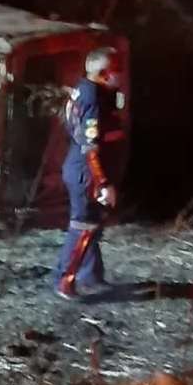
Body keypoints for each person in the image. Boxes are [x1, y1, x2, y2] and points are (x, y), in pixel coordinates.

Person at [53, 47, 119, 300]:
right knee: (81, 227)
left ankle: (91, 275)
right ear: (103, 71)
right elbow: (90, 145)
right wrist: (102, 182)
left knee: (91, 225)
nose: (118, 74)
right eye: (114, 68)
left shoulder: (82, 88)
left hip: (79, 165)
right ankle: (64, 280)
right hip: (85, 171)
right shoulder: (92, 97)